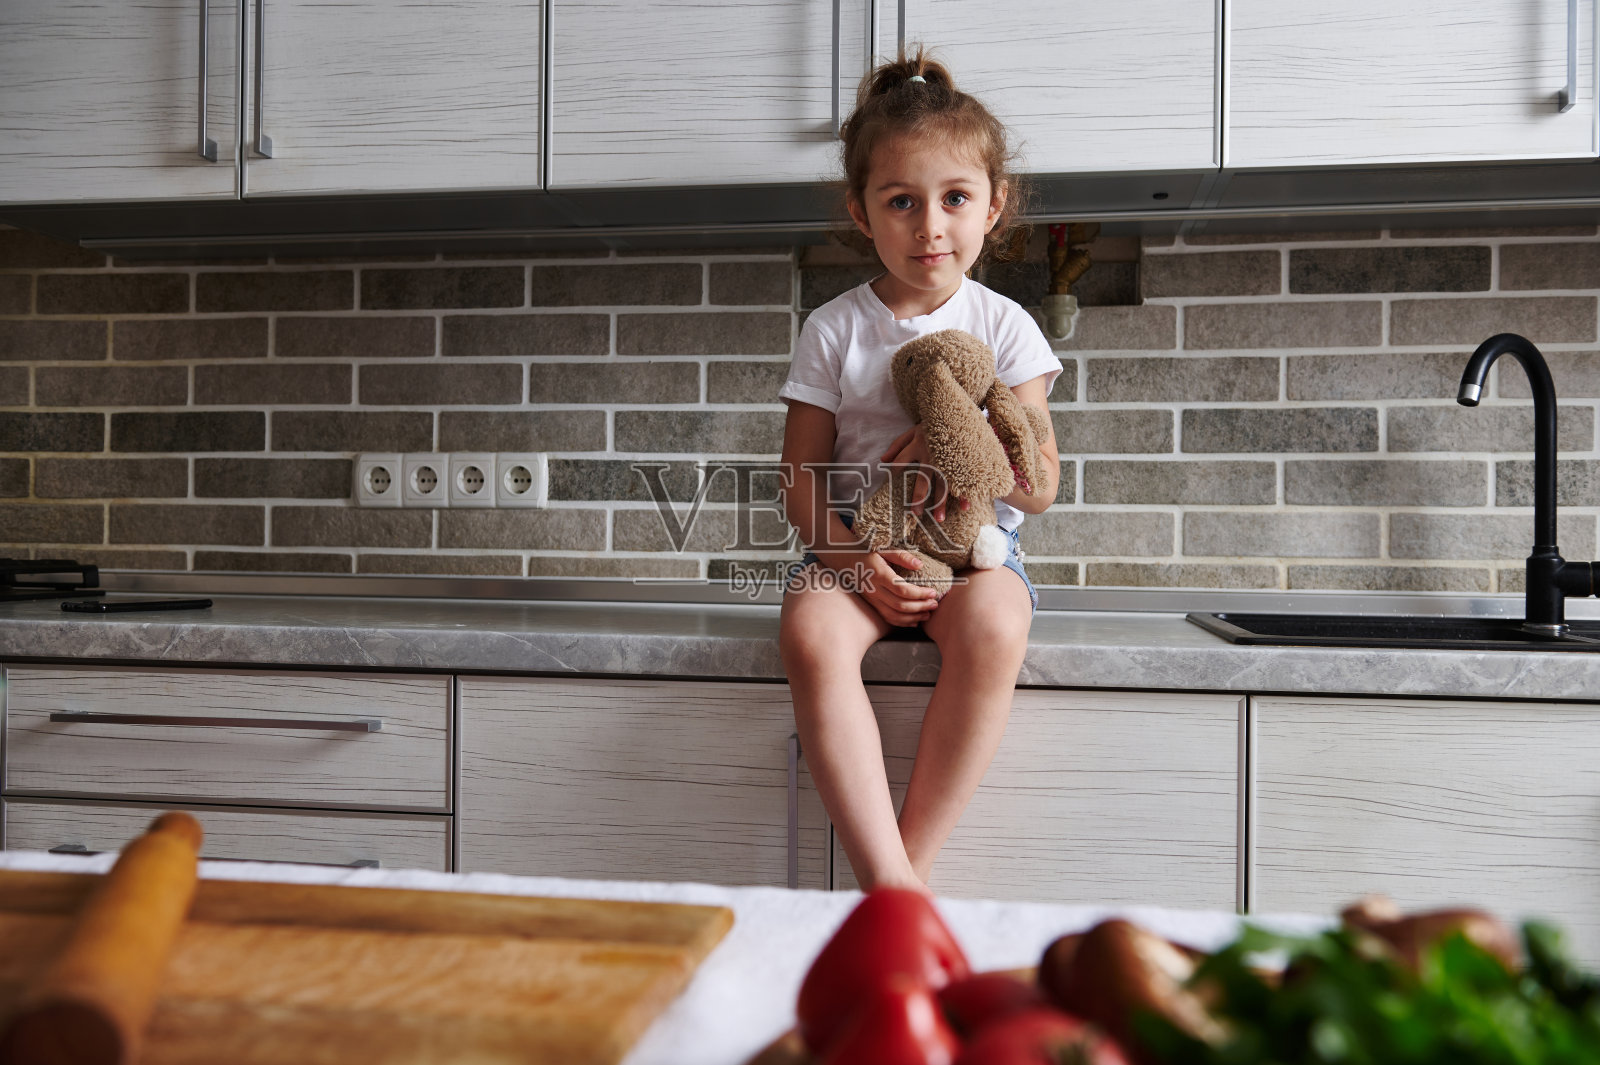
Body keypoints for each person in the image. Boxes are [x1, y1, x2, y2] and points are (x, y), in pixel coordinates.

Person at [777, 49, 1063, 892]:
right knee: (808, 630)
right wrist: (852, 561)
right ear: (862, 213)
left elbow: (1037, 486)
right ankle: (887, 880)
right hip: (860, 547)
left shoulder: (1007, 327)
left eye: (954, 199)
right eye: (901, 201)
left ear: (993, 207)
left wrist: (966, 434)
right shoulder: (834, 328)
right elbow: (799, 476)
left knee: (996, 626)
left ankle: (909, 871)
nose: (929, 225)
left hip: (973, 553)